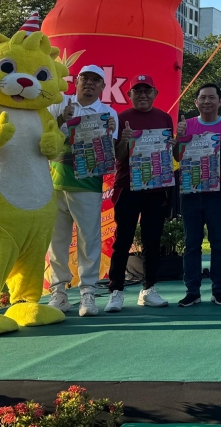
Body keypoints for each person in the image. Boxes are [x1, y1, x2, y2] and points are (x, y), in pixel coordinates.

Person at [46, 64, 119, 318]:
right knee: (57, 241)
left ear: (102, 86)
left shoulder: (108, 113)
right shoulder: (59, 104)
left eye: (96, 81)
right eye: (85, 79)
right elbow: (43, 135)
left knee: (89, 240)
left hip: (87, 185)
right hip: (55, 181)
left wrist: (110, 134)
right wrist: (61, 119)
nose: (89, 84)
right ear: (75, 81)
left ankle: (87, 291)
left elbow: (113, 152)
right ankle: (59, 292)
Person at [105, 74, 175, 313]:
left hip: (156, 188)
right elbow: (119, 157)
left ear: (155, 94)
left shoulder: (164, 118)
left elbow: (169, 154)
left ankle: (149, 289)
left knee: (152, 240)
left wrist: (173, 147)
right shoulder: (121, 118)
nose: (143, 95)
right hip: (128, 187)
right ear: (129, 95)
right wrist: (124, 140)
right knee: (123, 240)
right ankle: (116, 290)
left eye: (147, 91)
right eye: (138, 91)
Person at [175, 83, 221, 307]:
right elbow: (176, 158)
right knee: (191, 243)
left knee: (218, 241)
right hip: (190, 190)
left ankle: (219, 290)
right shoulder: (185, 126)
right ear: (195, 102)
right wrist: (178, 140)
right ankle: (192, 290)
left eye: (211, 98)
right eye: (202, 98)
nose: (207, 101)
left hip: (218, 189)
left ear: (220, 101)